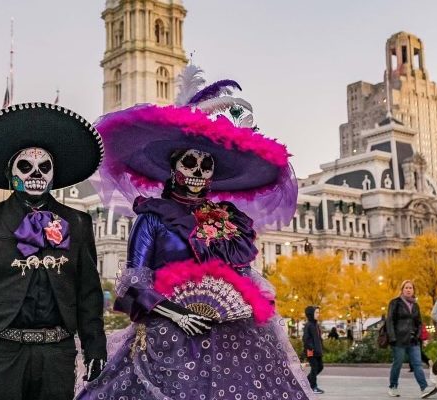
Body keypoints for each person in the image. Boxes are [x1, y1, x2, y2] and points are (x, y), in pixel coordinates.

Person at [77, 65, 314, 399]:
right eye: (191, 163)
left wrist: (248, 299)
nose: (199, 172)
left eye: (207, 166)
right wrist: (179, 314)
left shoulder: (227, 218)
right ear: (174, 168)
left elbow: (241, 273)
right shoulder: (153, 216)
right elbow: (134, 284)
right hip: (171, 337)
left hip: (235, 338)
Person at [0, 103, 107, 400]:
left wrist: (94, 347)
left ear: (53, 175)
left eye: (44, 166)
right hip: (2, 353)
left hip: (57, 353)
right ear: (11, 174)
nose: (36, 173)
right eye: (25, 166)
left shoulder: (77, 222)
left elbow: (88, 292)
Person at [386, 280, 437, 398]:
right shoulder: (395, 303)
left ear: (413, 290)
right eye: (406, 288)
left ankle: (424, 388)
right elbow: (390, 321)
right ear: (402, 289)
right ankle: (393, 387)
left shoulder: (415, 305)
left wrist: (418, 334)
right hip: (398, 340)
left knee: (417, 364)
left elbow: (419, 322)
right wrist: (392, 337)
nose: (408, 290)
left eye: (411, 288)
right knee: (397, 364)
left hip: (413, 340)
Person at [303, 306, 325, 394]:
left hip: (317, 351)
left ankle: (306, 381)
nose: (318, 314)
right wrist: (312, 348)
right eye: (316, 312)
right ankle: (313, 387)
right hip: (310, 351)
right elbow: (306, 339)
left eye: (318, 312)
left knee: (320, 367)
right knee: (315, 367)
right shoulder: (308, 325)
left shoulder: (316, 325)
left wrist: (321, 348)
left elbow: (318, 339)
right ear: (311, 314)